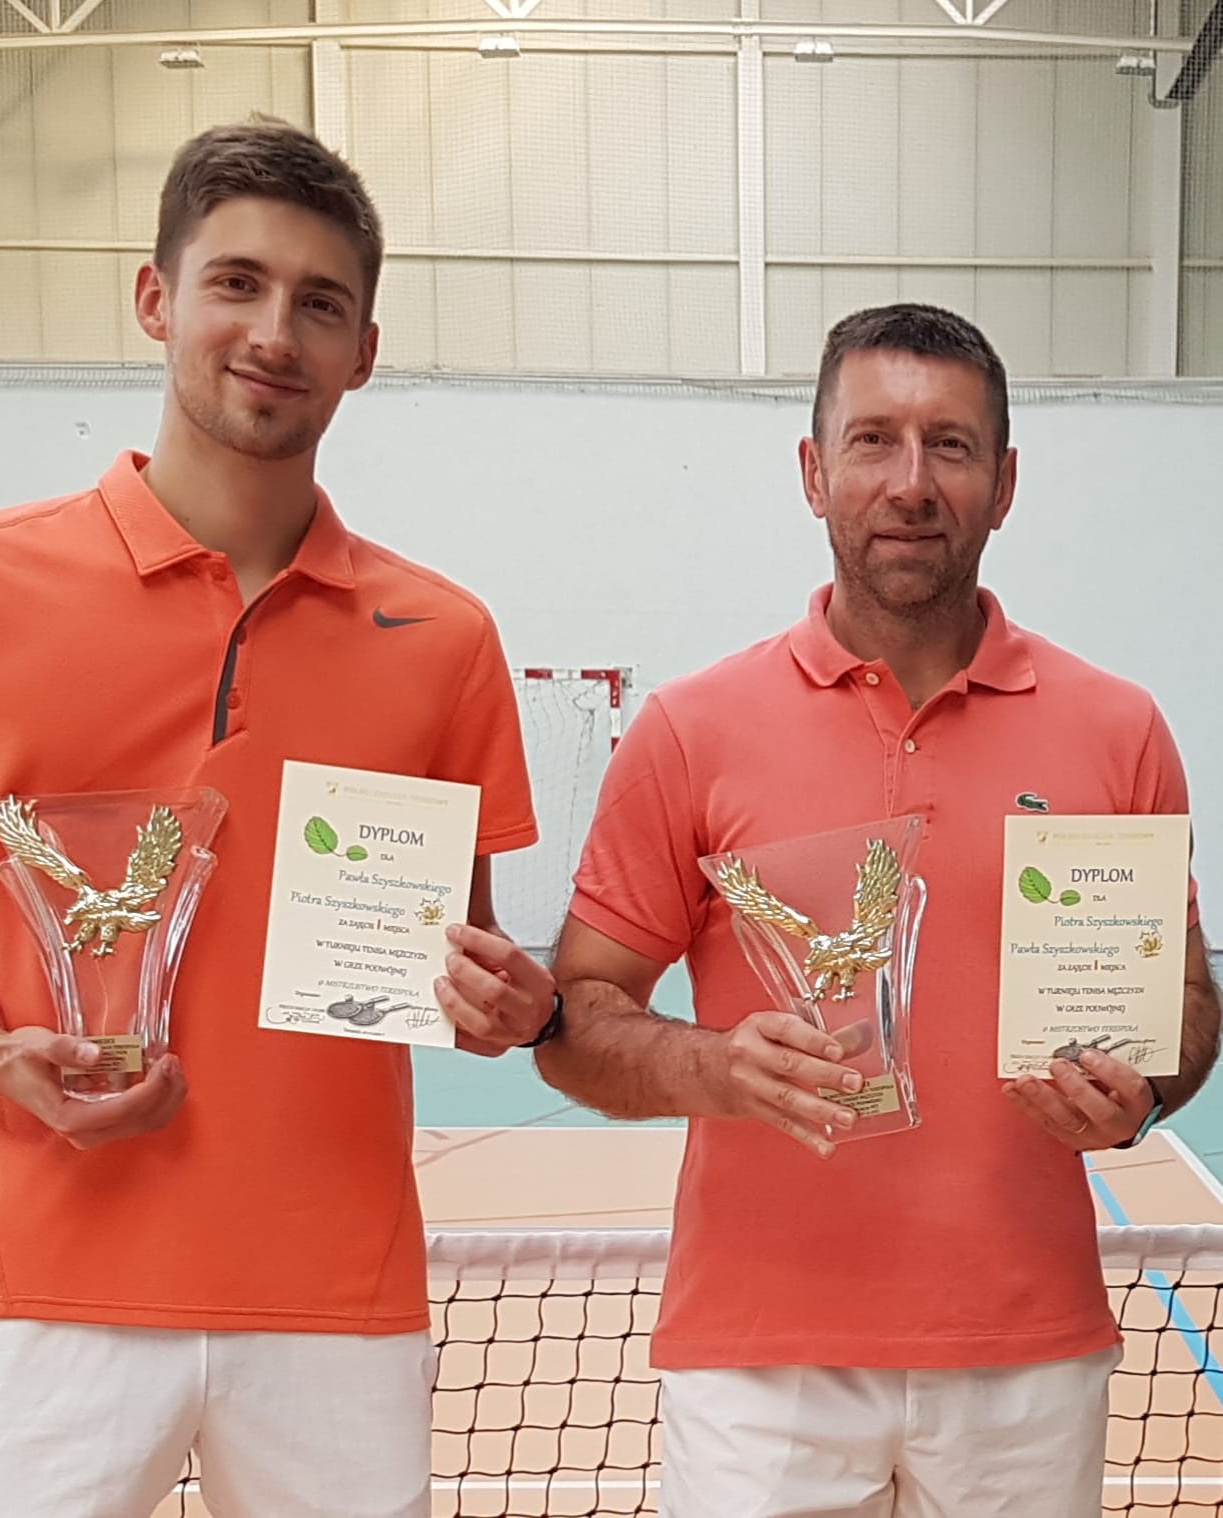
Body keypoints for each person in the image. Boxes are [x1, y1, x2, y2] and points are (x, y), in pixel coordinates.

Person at [0, 118, 556, 1518]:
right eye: (236, 284)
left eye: (320, 303)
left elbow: (458, 963)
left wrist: (499, 1004)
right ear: (156, 298)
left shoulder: (445, 638)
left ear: (363, 352)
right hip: (38, 1300)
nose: (273, 333)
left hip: (336, 1311)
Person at [533, 303, 1220, 1517]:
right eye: (873, 441)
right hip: (760, 1367)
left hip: (1024, 1357)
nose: (912, 483)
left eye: (951, 445)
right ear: (814, 471)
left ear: (1005, 483)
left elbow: (1185, 1005)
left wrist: (1146, 1093)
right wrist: (716, 1068)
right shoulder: (691, 730)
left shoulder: (1119, 729)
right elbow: (574, 1017)